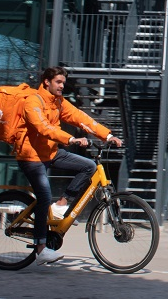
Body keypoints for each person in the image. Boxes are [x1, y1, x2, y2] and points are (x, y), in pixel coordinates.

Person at [14, 66, 123, 264]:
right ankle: (41, 249)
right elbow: (43, 127)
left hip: (51, 152)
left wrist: (107, 135)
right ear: (46, 81)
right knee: (44, 196)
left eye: (63, 83)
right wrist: (71, 139)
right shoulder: (33, 101)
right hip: (31, 156)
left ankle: (62, 204)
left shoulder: (58, 103)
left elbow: (80, 117)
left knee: (89, 166)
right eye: (58, 82)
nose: (62, 86)